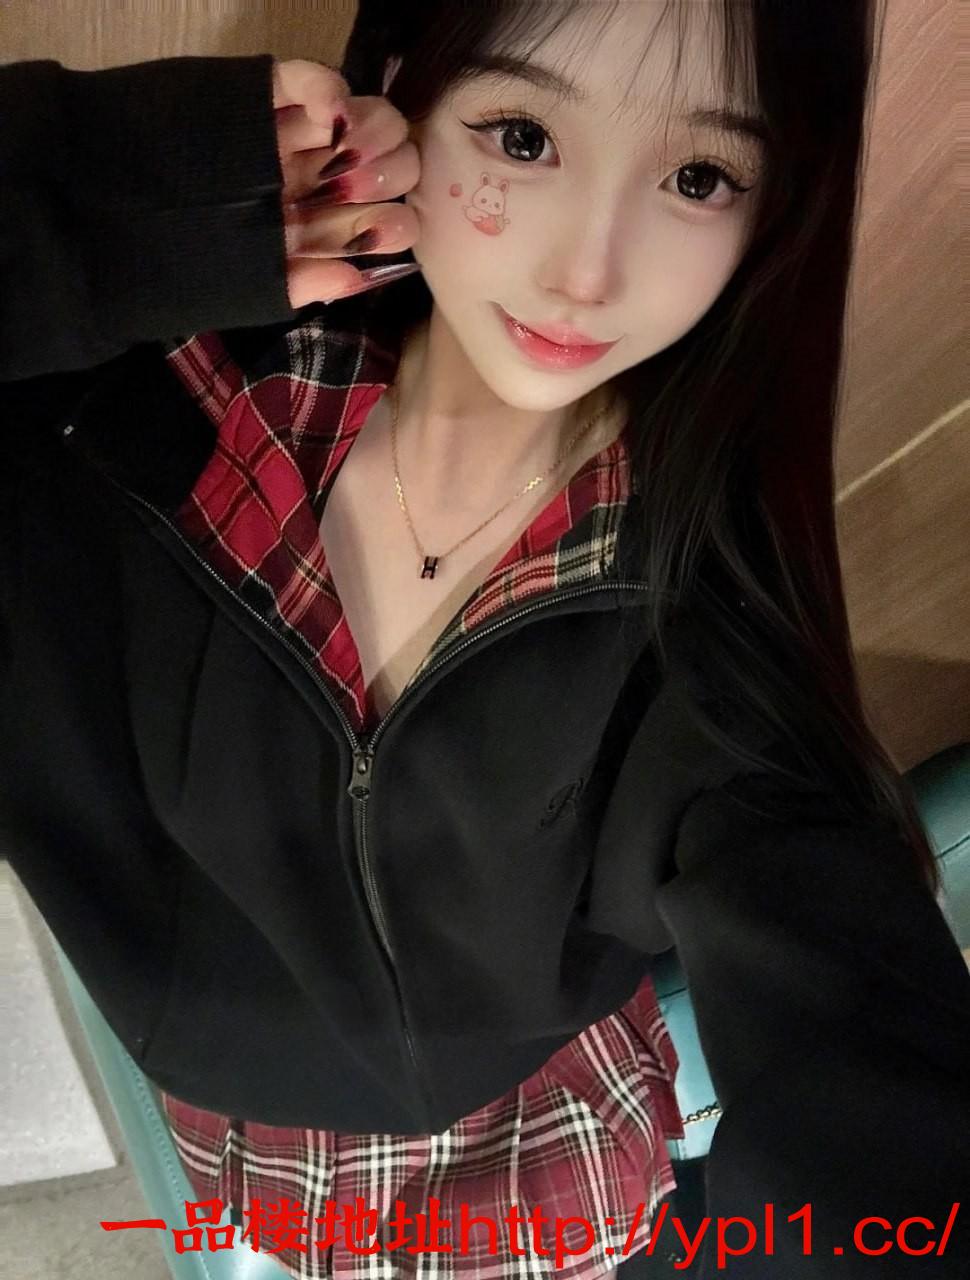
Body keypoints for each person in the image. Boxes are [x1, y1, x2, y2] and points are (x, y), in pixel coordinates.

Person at [2, 2, 969, 1278]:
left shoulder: (701, 603)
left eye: (699, 176)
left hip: (556, 1123)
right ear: (397, 92)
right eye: (521, 136)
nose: (586, 273)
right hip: (245, 1117)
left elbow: (855, 1038)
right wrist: (107, 200)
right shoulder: (140, 406)